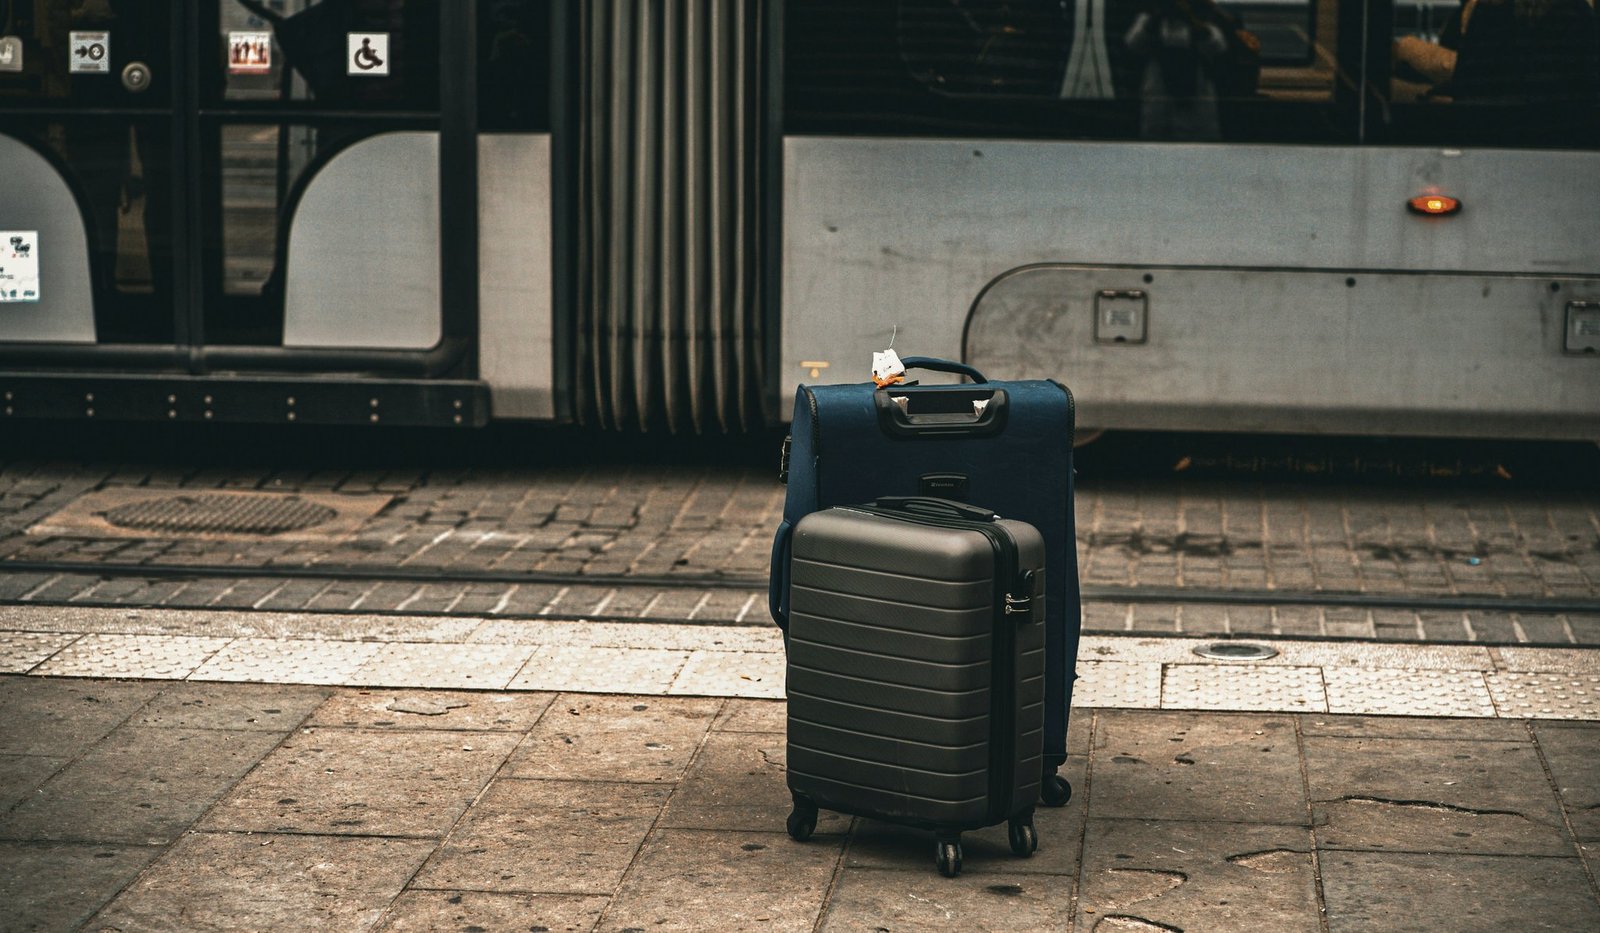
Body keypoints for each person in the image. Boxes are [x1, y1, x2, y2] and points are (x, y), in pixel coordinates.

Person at [1123, 0, 1231, 140]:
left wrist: (1190, 19)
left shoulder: (1205, 15)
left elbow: (1218, 47)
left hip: (1196, 99)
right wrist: (1158, 17)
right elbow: (1133, 44)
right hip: (1159, 99)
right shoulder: (1151, 18)